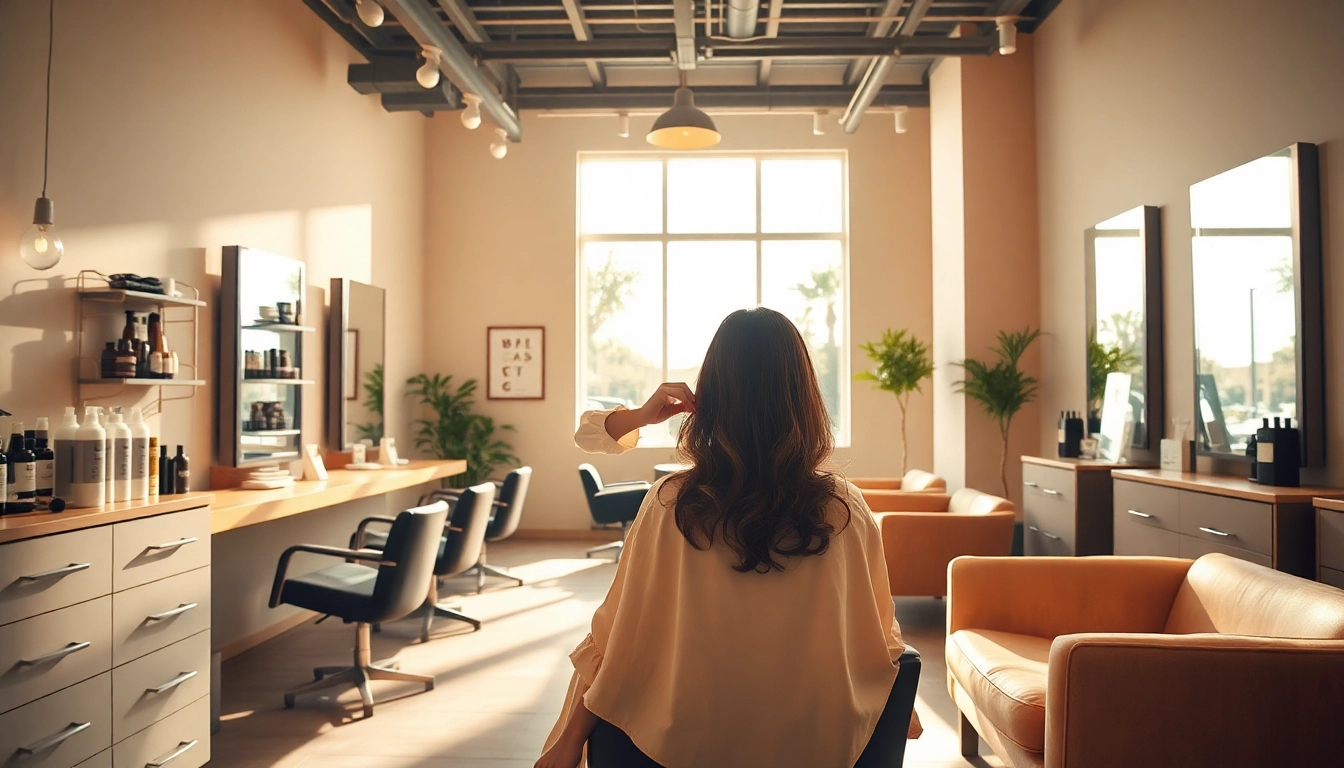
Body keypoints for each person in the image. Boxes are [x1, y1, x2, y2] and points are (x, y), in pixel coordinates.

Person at [537, 307, 918, 768]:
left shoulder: (672, 503)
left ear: (713, 395)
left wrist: (569, 740)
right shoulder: (844, 507)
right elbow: (881, 640)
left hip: (680, 744)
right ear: (804, 397)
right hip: (817, 745)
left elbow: (615, 642)